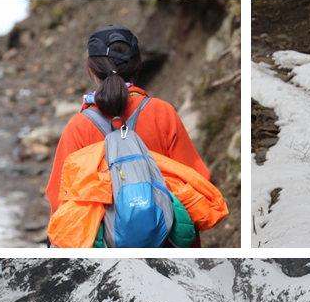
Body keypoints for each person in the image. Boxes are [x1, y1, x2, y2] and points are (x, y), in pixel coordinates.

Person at [46, 24, 226, 248]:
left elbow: (59, 200)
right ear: (138, 65)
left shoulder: (79, 127)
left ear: (91, 70)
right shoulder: (162, 113)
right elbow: (197, 182)